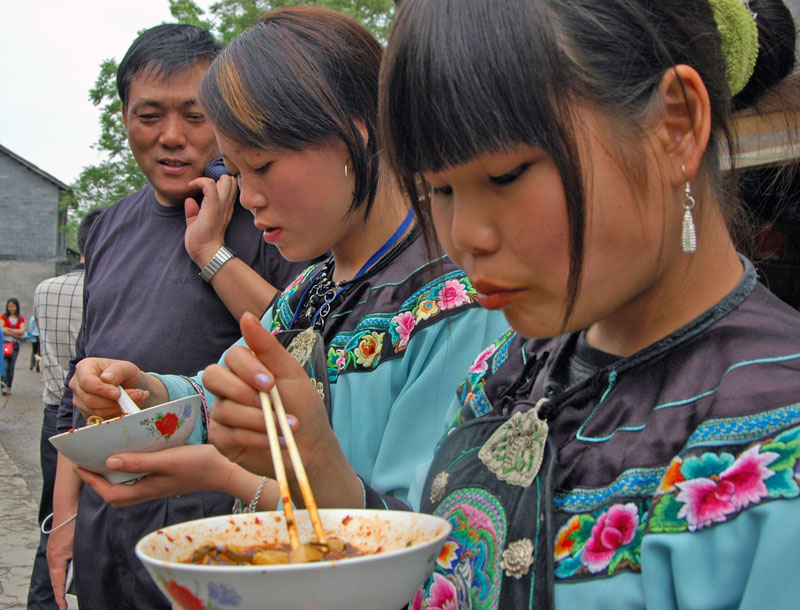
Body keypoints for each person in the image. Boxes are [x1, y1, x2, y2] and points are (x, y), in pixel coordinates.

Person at [195, 0, 800, 608]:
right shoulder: (504, 372)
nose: (466, 237)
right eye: (440, 190)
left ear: (675, 125)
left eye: (507, 175)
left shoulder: (778, 445)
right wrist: (322, 467)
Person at [68, 6, 507, 523]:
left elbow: (423, 535)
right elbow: (222, 395)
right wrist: (144, 389)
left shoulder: (455, 300)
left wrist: (226, 477)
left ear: (356, 130)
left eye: (261, 166)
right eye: (234, 171)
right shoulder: (314, 287)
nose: (248, 196)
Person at [47, 23, 311, 610]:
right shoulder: (108, 224)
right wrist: (64, 519)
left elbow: (306, 341)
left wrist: (209, 252)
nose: (172, 137)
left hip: (214, 517)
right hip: (106, 516)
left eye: (195, 116)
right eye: (150, 116)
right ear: (123, 116)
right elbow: (82, 390)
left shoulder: (269, 213)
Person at [27, 209, 102, 610]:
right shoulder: (104, 287)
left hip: (51, 410)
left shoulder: (45, 289)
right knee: (89, 516)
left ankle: (42, 601)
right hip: (89, 415)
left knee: (53, 517)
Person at [1, 297, 27, 394]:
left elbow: (22, 331)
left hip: (15, 345)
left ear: (16, 307)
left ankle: (9, 387)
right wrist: (14, 334)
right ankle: (3, 386)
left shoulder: (20, 318)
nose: (11, 308)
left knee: (11, 367)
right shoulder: (4, 317)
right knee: (4, 366)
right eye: (9, 306)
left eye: (12, 306)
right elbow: (1, 330)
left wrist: (8, 330)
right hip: (4, 344)